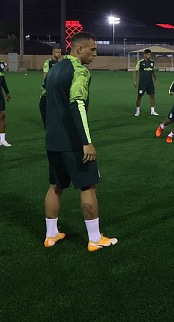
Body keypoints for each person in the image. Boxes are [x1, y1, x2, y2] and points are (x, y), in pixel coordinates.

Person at [43, 31, 117, 252]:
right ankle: (95, 239)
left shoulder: (54, 69)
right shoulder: (79, 71)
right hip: (73, 141)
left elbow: (43, 102)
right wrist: (86, 141)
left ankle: (51, 235)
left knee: (55, 186)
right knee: (88, 186)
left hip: (53, 139)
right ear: (78, 49)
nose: (95, 53)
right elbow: (78, 104)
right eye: (92, 49)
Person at [39, 47, 63, 128]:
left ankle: (54, 123)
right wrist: (47, 87)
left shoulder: (60, 63)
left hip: (57, 89)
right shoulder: (48, 62)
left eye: (60, 52)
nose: (59, 54)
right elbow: (45, 77)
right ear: (53, 53)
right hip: (48, 89)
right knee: (43, 106)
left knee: (55, 107)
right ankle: (47, 124)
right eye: (57, 52)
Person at [133, 49, 159, 116]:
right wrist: (135, 81)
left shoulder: (152, 62)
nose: (149, 56)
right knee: (139, 97)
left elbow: (153, 72)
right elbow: (135, 71)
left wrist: (156, 80)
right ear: (144, 54)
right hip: (142, 83)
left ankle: (152, 111)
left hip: (150, 83)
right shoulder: (140, 62)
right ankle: (137, 111)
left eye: (150, 54)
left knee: (152, 96)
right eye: (147, 54)